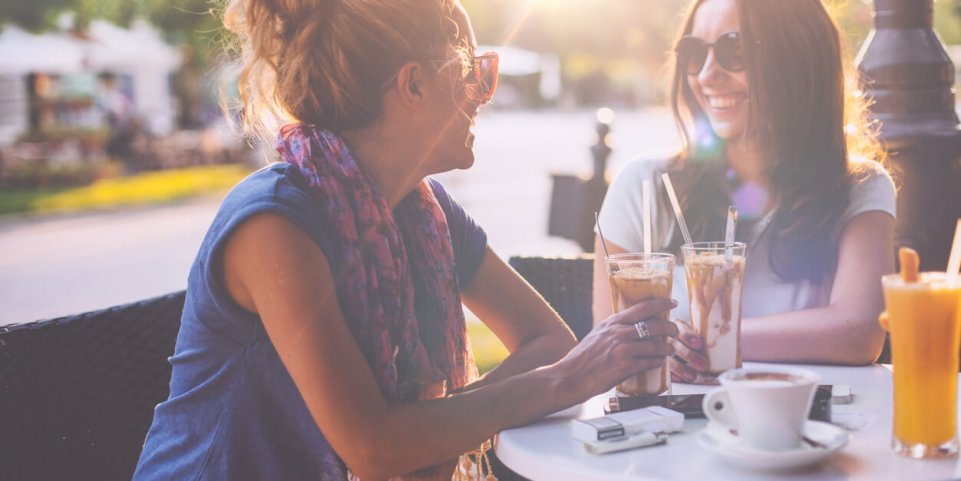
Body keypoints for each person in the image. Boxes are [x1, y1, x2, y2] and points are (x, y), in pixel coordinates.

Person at [132, 1, 678, 480]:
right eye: (474, 72)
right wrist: (564, 382)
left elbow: (547, 342)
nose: (483, 96)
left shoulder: (426, 210)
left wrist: (435, 427)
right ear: (414, 85)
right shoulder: (276, 226)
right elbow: (375, 447)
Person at [593, 0, 895, 381]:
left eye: (733, 49)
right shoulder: (643, 186)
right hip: (672, 433)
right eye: (693, 53)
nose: (707, 74)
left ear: (799, 57)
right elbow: (606, 350)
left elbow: (857, 333)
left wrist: (707, 343)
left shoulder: (858, 188)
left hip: (802, 433)